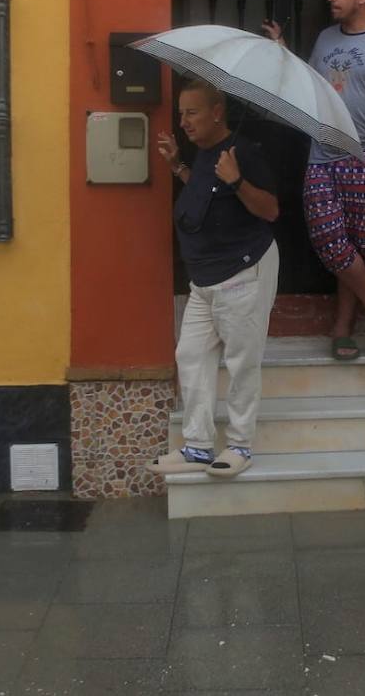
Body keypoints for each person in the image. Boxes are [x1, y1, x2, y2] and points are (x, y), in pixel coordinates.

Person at [262, 0, 365, 361]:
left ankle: (342, 328)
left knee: (357, 245)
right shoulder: (326, 39)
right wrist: (283, 55)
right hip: (323, 152)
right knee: (329, 238)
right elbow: (311, 88)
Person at [148, 79, 280, 479]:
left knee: (242, 362)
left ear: (217, 111)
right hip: (203, 280)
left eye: (192, 113)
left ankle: (239, 444)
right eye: (182, 114)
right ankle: (198, 447)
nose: (184, 122)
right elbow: (206, 194)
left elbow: (271, 210)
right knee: (190, 355)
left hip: (242, 272)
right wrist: (178, 166)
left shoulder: (246, 154)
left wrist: (238, 180)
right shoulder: (205, 154)